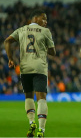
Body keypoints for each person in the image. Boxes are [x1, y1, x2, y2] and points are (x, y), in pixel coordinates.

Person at [4, 9, 56, 137]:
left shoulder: (21, 30)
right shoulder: (45, 31)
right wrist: (43, 48)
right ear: (35, 18)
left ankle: (31, 122)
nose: (46, 21)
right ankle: (41, 130)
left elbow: (7, 41)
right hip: (39, 68)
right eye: (43, 18)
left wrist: (10, 58)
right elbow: (53, 52)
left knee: (28, 96)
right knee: (41, 98)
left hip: (25, 68)